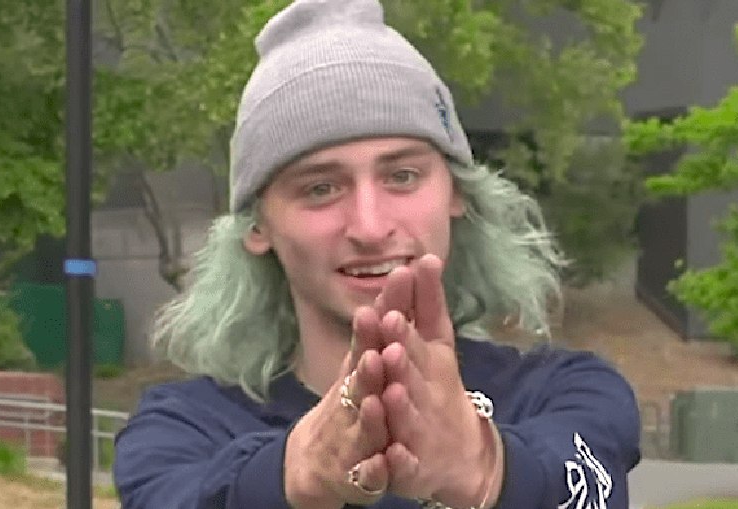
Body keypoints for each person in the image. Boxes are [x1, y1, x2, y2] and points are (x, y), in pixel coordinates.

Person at [113, 0, 642, 507]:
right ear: (257, 227)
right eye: (320, 188)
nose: (370, 227)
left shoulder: (564, 393)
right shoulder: (183, 429)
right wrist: (297, 473)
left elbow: (583, 487)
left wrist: (483, 467)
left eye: (403, 176)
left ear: (457, 193)